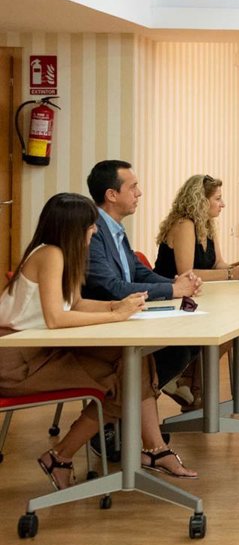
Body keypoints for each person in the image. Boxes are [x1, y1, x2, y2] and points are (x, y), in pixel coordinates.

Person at [0, 192, 197, 489]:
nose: (94, 230)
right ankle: (71, 455)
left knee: (133, 363)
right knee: (124, 376)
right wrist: (115, 316)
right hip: (15, 360)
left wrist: (117, 305)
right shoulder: (50, 254)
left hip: (40, 350)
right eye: (90, 225)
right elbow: (56, 318)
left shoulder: (63, 255)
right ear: (72, 228)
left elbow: (76, 304)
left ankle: (70, 456)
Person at [83, 160, 203, 414]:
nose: (139, 193)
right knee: (177, 351)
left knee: (191, 341)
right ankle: (114, 417)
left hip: (128, 314)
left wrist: (177, 284)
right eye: (133, 187)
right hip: (103, 322)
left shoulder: (114, 227)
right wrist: (173, 291)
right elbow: (111, 287)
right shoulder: (92, 230)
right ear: (112, 195)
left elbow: (137, 271)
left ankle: (125, 413)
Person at [153, 174, 239, 406]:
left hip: (196, 296)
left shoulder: (207, 224)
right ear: (201, 201)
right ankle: (191, 388)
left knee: (233, 326)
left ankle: (188, 384)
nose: (223, 204)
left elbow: (218, 264)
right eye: (218, 199)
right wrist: (231, 275)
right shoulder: (184, 225)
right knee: (223, 326)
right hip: (170, 298)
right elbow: (187, 273)